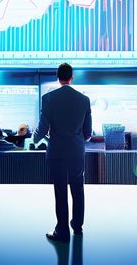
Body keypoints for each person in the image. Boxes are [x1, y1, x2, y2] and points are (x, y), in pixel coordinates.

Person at [34, 63, 92, 243]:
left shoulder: (49, 98)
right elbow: (88, 132)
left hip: (57, 152)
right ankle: (78, 226)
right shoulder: (84, 100)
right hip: (76, 151)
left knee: (60, 190)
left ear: (58, 77)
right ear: (71, 78)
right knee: (77, 188)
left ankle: (62, 230)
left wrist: (35, 139)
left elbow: (43, 127)